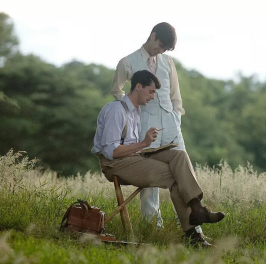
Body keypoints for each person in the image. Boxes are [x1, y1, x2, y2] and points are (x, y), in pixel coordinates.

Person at [93, 70, 225, 247]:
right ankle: (193, 235)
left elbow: (133, 146)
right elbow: (111, 151)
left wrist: (151, 147)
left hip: (134, 157)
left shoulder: (135, 112)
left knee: (179, 155)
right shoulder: (116, 110)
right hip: (115, 164)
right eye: (151, 91)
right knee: (175, 176)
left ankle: (197, 208)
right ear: (138, 87)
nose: (153, 97)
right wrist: (144, 143)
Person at [111, 22, 187, 227]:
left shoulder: (168, 62)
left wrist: (176, 116)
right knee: (150, 177)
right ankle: (153, 226)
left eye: (164, 49)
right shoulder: (127, 61)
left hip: (171, 123)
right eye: (160, 46)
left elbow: (175, 95)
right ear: (152, 36)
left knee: (182, 169)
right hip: (144, 125)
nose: (160, 51)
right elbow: (117, 90)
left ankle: (191, 225)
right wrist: (131, 111)